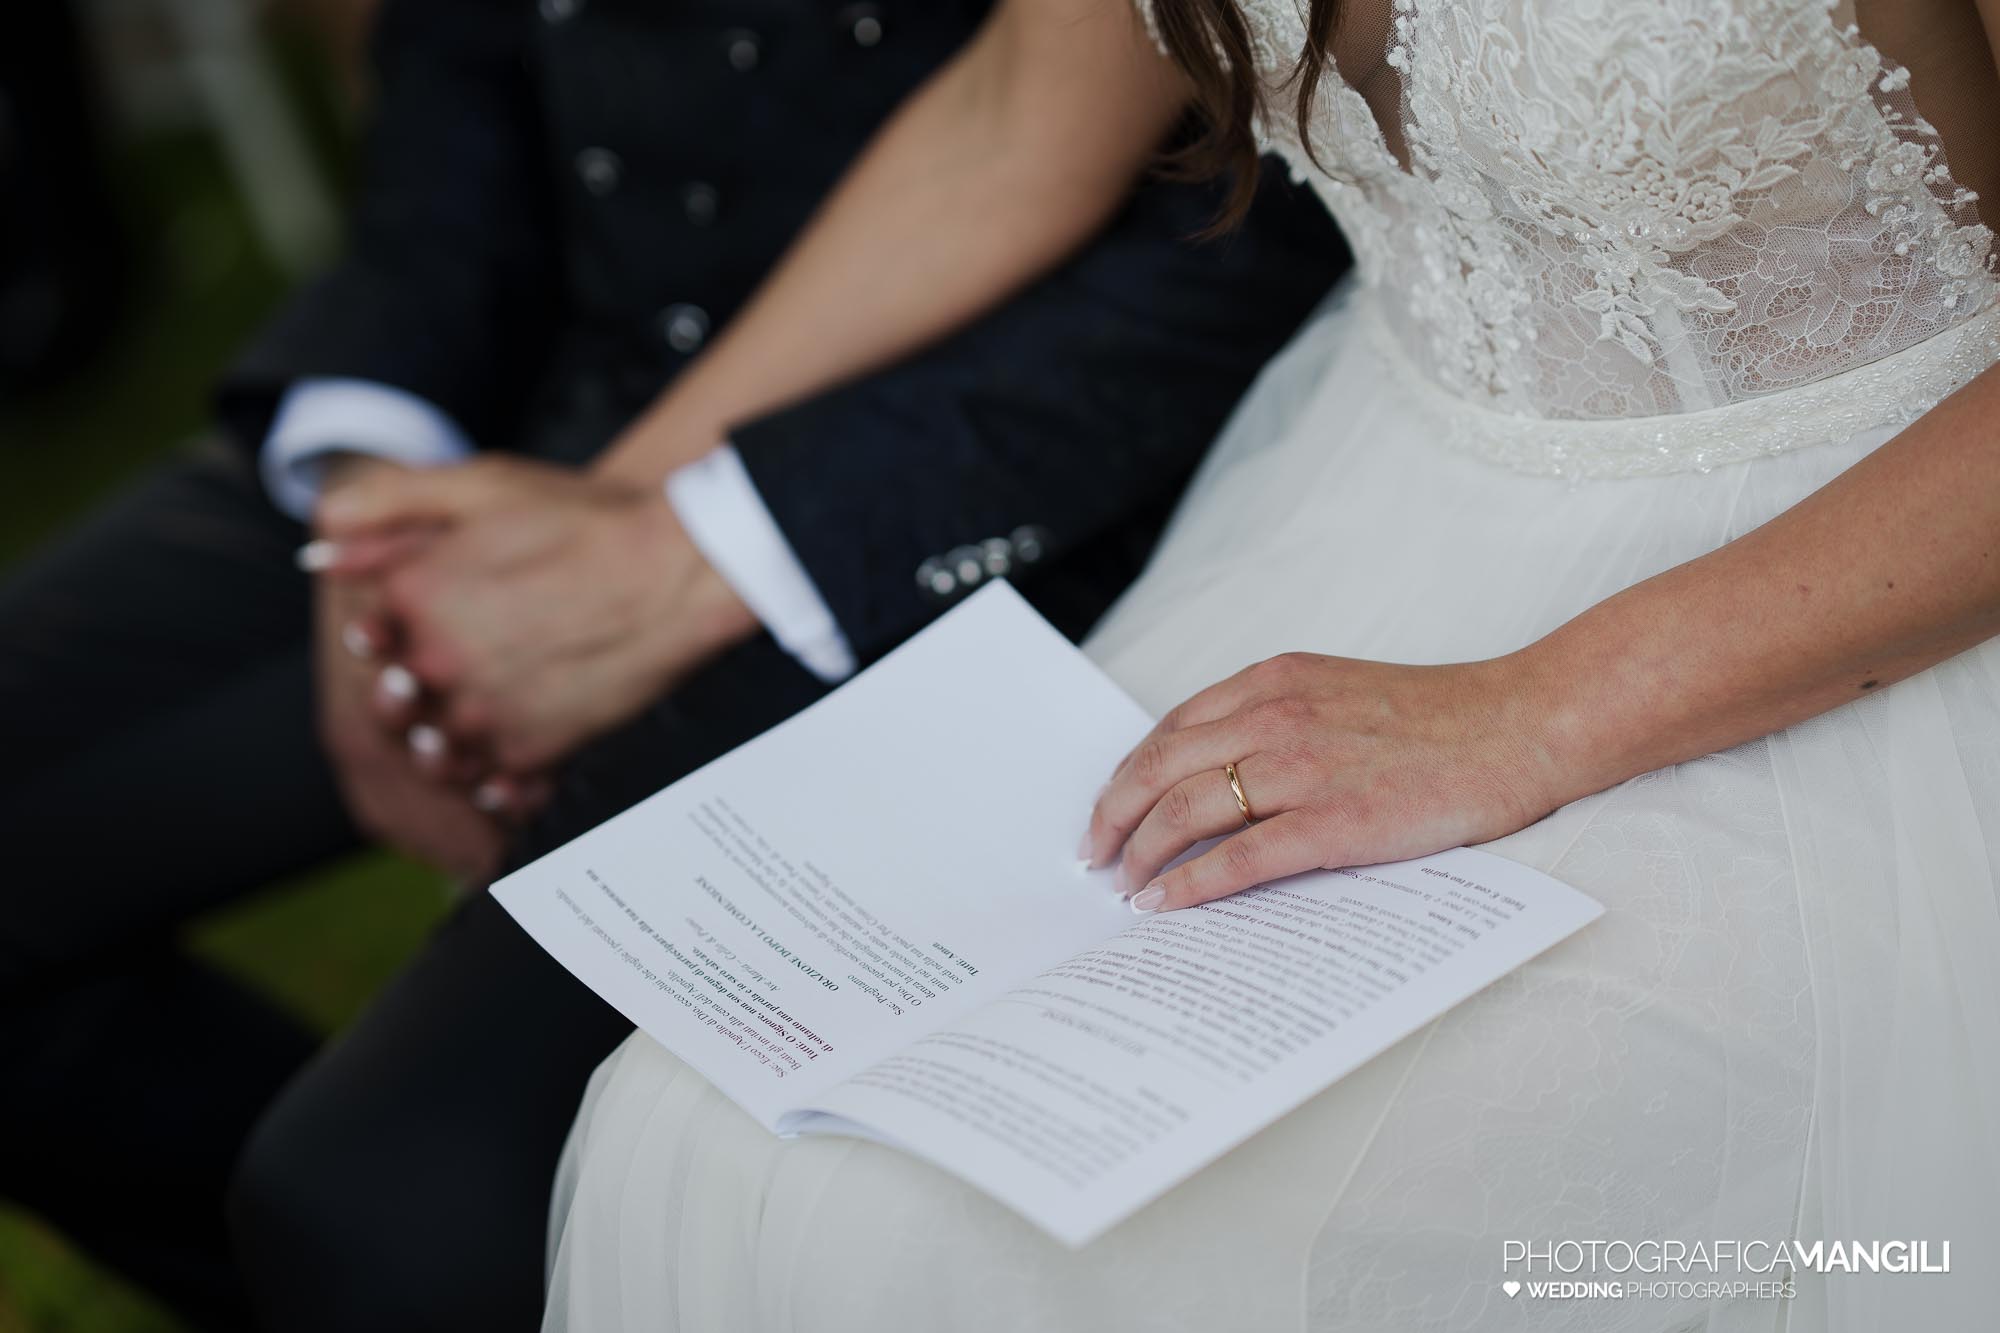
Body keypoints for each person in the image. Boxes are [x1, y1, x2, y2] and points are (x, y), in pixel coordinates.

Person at [506, 0, 2000, 1328]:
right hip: (1377, 522)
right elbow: (1008, 122)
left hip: (1872, 576)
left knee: (1095, 1247)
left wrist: (1532, 711)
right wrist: (592, 533)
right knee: (718, 1127)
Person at [0, 1, 1345, 1328]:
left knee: (380, 1207)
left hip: (963, 473)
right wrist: (372, 503)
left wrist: (687, 548)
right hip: (533, 397)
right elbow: (455, 81)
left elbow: (1241, 191)